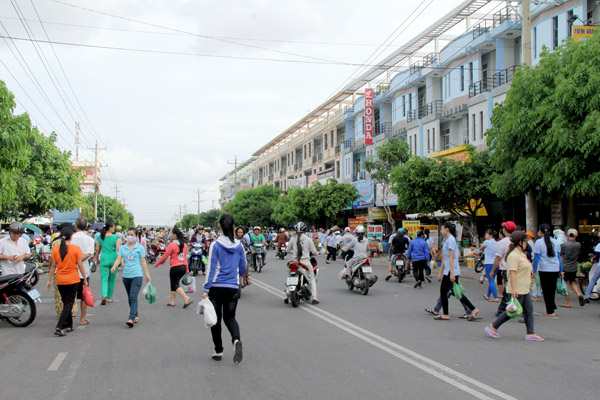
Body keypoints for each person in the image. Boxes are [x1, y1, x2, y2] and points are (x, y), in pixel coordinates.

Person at [203, 214, 246, 363]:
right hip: (232, 287)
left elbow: (210, 267)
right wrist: (236, 275)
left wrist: (206, 289)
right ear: (233, 226)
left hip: (216, 287)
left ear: (219, 226)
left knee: (216, 320)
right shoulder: (239, 245)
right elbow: (243, 267)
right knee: (230, 317)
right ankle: (236, 340)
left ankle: (218, 351)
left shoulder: (215, 245)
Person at [485, 231, 544, 341]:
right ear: (520, 242)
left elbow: (526, 266)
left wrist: (531, 271)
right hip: (517, 288)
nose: (527, 244)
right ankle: (493, 327)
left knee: (529, 311)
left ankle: (531, 333)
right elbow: (512, 273)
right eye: (526, 242)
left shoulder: (521, 253)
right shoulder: (513, 255)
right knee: (512, 311)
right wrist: (514, 289)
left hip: (525, 288)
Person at [46, 225, 86, 336]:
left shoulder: (56, 249)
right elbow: (80, 265)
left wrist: (49, 280)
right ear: (71, 236)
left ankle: (69, 325)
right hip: (73, 279)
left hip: (60, 280)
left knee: (65, 302)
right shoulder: (75, 249)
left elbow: (53, 266)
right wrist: (84, 278)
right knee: (68, 303)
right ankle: (59, 326)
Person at [435, 221, 479, 321]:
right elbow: (445, 258)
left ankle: (446, 314)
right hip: (449, 270)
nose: (441, 231)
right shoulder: (448, 240)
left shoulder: (450, 240)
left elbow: (452, 257)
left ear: (447, 229)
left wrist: (452, 274)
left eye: (442, 229)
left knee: (444, 291)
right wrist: (441, 272)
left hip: (451, 270)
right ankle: (472, 309)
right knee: (455, 292)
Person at [112, 227, 151, 327]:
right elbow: (118, 259)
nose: (129, 236)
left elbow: (143, 262)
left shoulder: (140, 248)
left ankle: (131, 317)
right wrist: (114, 266)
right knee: (130, 297)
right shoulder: (122, 248)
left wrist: (147, 275)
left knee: (133, 296)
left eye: (132, 235)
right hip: (126, 276)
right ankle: (135, 314)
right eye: (128, 234)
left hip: (137, 275)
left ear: (136, 236)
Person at [155, 226, 192, 308]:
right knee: (174, 284)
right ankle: (172, 301)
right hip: (182, 267)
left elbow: (165, 256)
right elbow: (185, 257)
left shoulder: (172, 245)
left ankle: (185, 297)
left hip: (175, 267)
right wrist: (187, 269)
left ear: (175, 235)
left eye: (172, 234)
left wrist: (157, 264)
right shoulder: (184, 245)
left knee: (175, 285)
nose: (171, 236)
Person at [286, 222, 319, 304]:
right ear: (305, 230)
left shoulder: (293, 239)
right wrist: (316, 253)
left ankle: (286, 296)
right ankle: (314, 297)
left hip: (294, 262)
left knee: (291, 275)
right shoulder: (308, 239)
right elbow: (314, 251)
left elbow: (287, 250)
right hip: (306, 262)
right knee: (312, 279)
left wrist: (292, 252)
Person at [533, 223, 562, 317]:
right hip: (555, 268)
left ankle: (550, 310)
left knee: (545, 290)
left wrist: (533, 271)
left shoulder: (538, 242)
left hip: (544, 269)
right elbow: (559, 257)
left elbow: (536, 258)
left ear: (540, 232)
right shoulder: (556, 242)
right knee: (552, 289)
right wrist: (561, 270)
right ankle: (551, 307)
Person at [71, 217, 95, 326]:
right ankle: (82, 319)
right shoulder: (90, 239)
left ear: (75, 226)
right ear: (86, 227)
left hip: (70, 271)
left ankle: (69, 316)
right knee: (83, 297)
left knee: (70, 297)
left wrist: (75, 260)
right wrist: (80, 260)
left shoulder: (70, 238)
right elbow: (89, 253)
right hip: (84, 272)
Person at [491, 221, 516, 316]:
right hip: (517, 269)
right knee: (509, 289)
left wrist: (493, 271)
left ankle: (509, 309)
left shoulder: (502, 242)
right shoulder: (518, 239)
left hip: (507, 269)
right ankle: (502, 309)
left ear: (505, 230)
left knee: (508, 290)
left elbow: (498, 258)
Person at [95, 222, 121, 305]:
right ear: (110, 228)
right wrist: (120, 260)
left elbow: (97, 250)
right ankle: (109, 297)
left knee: (104, 279)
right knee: (112, 280)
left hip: (104, 258)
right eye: (113, 227)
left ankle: (104, 295)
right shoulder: (116, 237)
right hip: (113, 259)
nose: (114, 229)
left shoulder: (100, 237)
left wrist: (97, 259)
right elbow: (118, 249)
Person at [559, 229, 584, 307]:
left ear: (568, 235)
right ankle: (579, 294)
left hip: (566, 266)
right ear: (576, 235)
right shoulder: (578, 245)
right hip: (573, 266)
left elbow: (560, 254)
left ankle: (568, 302)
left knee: (566, 284)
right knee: (572, 282)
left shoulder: (564, 245)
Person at [480, 229, 499, 302]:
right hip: (496, 263)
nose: (485, 236)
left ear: (491, 236)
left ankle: (495, 297)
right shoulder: (497, 243)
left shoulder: (486, 242)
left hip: (488, 263)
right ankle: (487, 295)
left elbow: (481, 248)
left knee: (490, 280)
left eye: (486, 235)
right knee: (492, 279)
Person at [584, 233, 600, 303]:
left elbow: (598, 255)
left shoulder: (599, 245)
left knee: (593, 280)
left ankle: (586, 296)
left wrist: (593, 259)